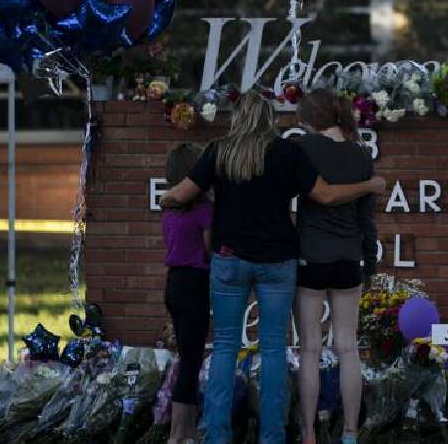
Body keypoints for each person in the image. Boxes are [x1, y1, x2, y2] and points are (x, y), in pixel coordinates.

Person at [159, 90, 386, 444]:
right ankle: (272, 436)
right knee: (274, 348)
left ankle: (217, 436)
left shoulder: (219, 150)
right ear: (269, 119)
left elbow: (181, 194)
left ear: (237, 118)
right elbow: (326, 196)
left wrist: (167, 198)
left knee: (224, 347)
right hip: (277, 262)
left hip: (229, 258)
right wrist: (369, 185)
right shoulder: (287, 152)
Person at [292, 89, 377, 444]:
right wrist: (369, 262)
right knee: (347, 347)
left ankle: (309, 432)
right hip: (348, 258)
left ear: (311, 118)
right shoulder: (361, 154)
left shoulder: (302, 148)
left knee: (310, 347)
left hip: (310, 256)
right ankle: (350, 433)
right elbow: (367, 218)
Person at [159, 143, 213, 444]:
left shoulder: (168, 210)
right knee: (192, 362)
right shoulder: (204, 211)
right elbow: (208, 248)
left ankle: (188, 429)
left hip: (174, 283)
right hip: (195, 284)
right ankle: (177, 435)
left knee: (187, 356)